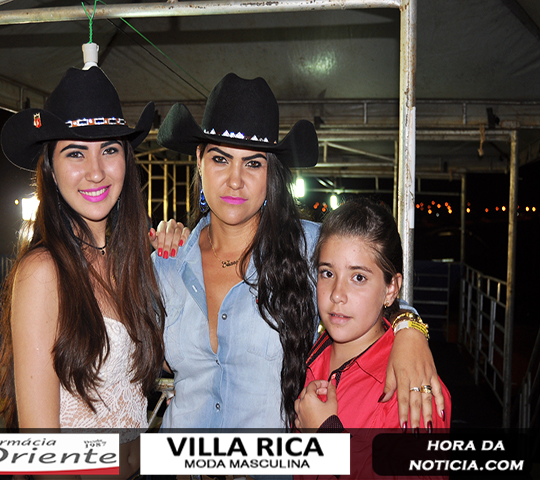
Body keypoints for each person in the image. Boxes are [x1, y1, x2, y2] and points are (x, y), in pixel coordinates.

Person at [154, 73, 444, 431]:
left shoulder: (309, 247)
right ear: (199, 159)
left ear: (271, 173)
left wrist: (409, 331)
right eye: (220, 159)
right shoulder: (166, 265)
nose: (235, 180)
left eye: (253, 163)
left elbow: (374, 285)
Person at [0, 66, 184, 478]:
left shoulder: (128, 266)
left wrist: (182, 262)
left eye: (109, 150)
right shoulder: (44, 272)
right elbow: (40, 450)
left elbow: (172, 364)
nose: (96, 171)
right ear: (50, 167)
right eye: (76, 153)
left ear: (126, 160)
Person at [294, 198, 451, 478]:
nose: (337, 294)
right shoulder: (310, 352)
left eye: (358, 278)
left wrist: (327, 437)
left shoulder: (412, 387)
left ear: (391, 289)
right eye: (327, 273)